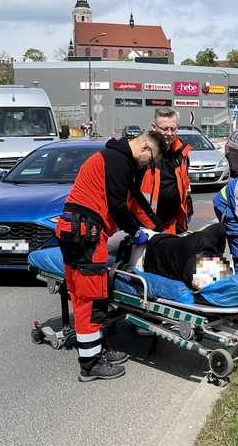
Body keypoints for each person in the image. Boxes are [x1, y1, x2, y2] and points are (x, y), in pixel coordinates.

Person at [55, 131, 165, 382]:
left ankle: (97, 350)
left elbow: (135, 200)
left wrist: (156, 228)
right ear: (146, 148)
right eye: (150, 160)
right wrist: (136, 232)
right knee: (91, 300)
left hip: (76, 230)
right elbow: (118, 206)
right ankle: (90, 364)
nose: (146, 165)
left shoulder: (113, 157)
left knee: (86, 297)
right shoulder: (118, 161)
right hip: (86, 234)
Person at [128, 108, 192, 234]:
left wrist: (188, 211)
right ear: (154, 127)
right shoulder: (141, 152)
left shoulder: (181, 153)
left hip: (173, 225)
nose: (169, 133)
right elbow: (131, 194)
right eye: (164, 129)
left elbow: (186, 186)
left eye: (173, 129)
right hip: (145, 226)